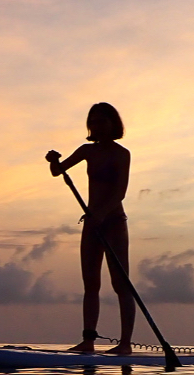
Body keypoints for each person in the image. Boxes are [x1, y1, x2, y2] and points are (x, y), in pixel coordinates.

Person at [46, 102, 134, 355]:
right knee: (90, 283)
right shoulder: (87, 151)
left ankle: (125, 344)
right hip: (92, 225)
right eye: (93, 122)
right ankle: (88, 340)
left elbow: (120, 192)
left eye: (101, 121)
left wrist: (101, 214)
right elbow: (57, 172)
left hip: (114, 223)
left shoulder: (122, 154)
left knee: (121, 284)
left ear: (113, 124)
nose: (97, 126)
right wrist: (54, 160)